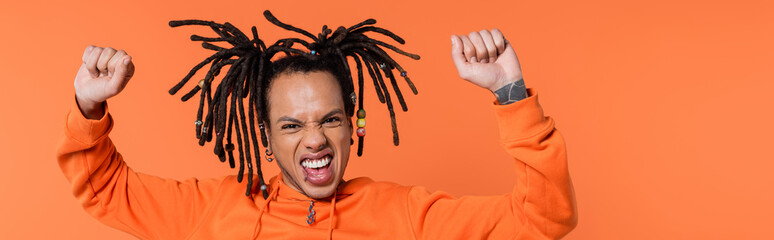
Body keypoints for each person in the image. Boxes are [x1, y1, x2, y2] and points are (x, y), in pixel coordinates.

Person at [56, 11, 577, 240]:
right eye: (291, 125)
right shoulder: (210, 210)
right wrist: (88, 105)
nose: (314, 139)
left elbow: (543, 221)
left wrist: (510, 93)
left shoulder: (407, 216)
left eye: (330, 119)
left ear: (353, 125)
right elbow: (104, 189)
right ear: (265, 136)